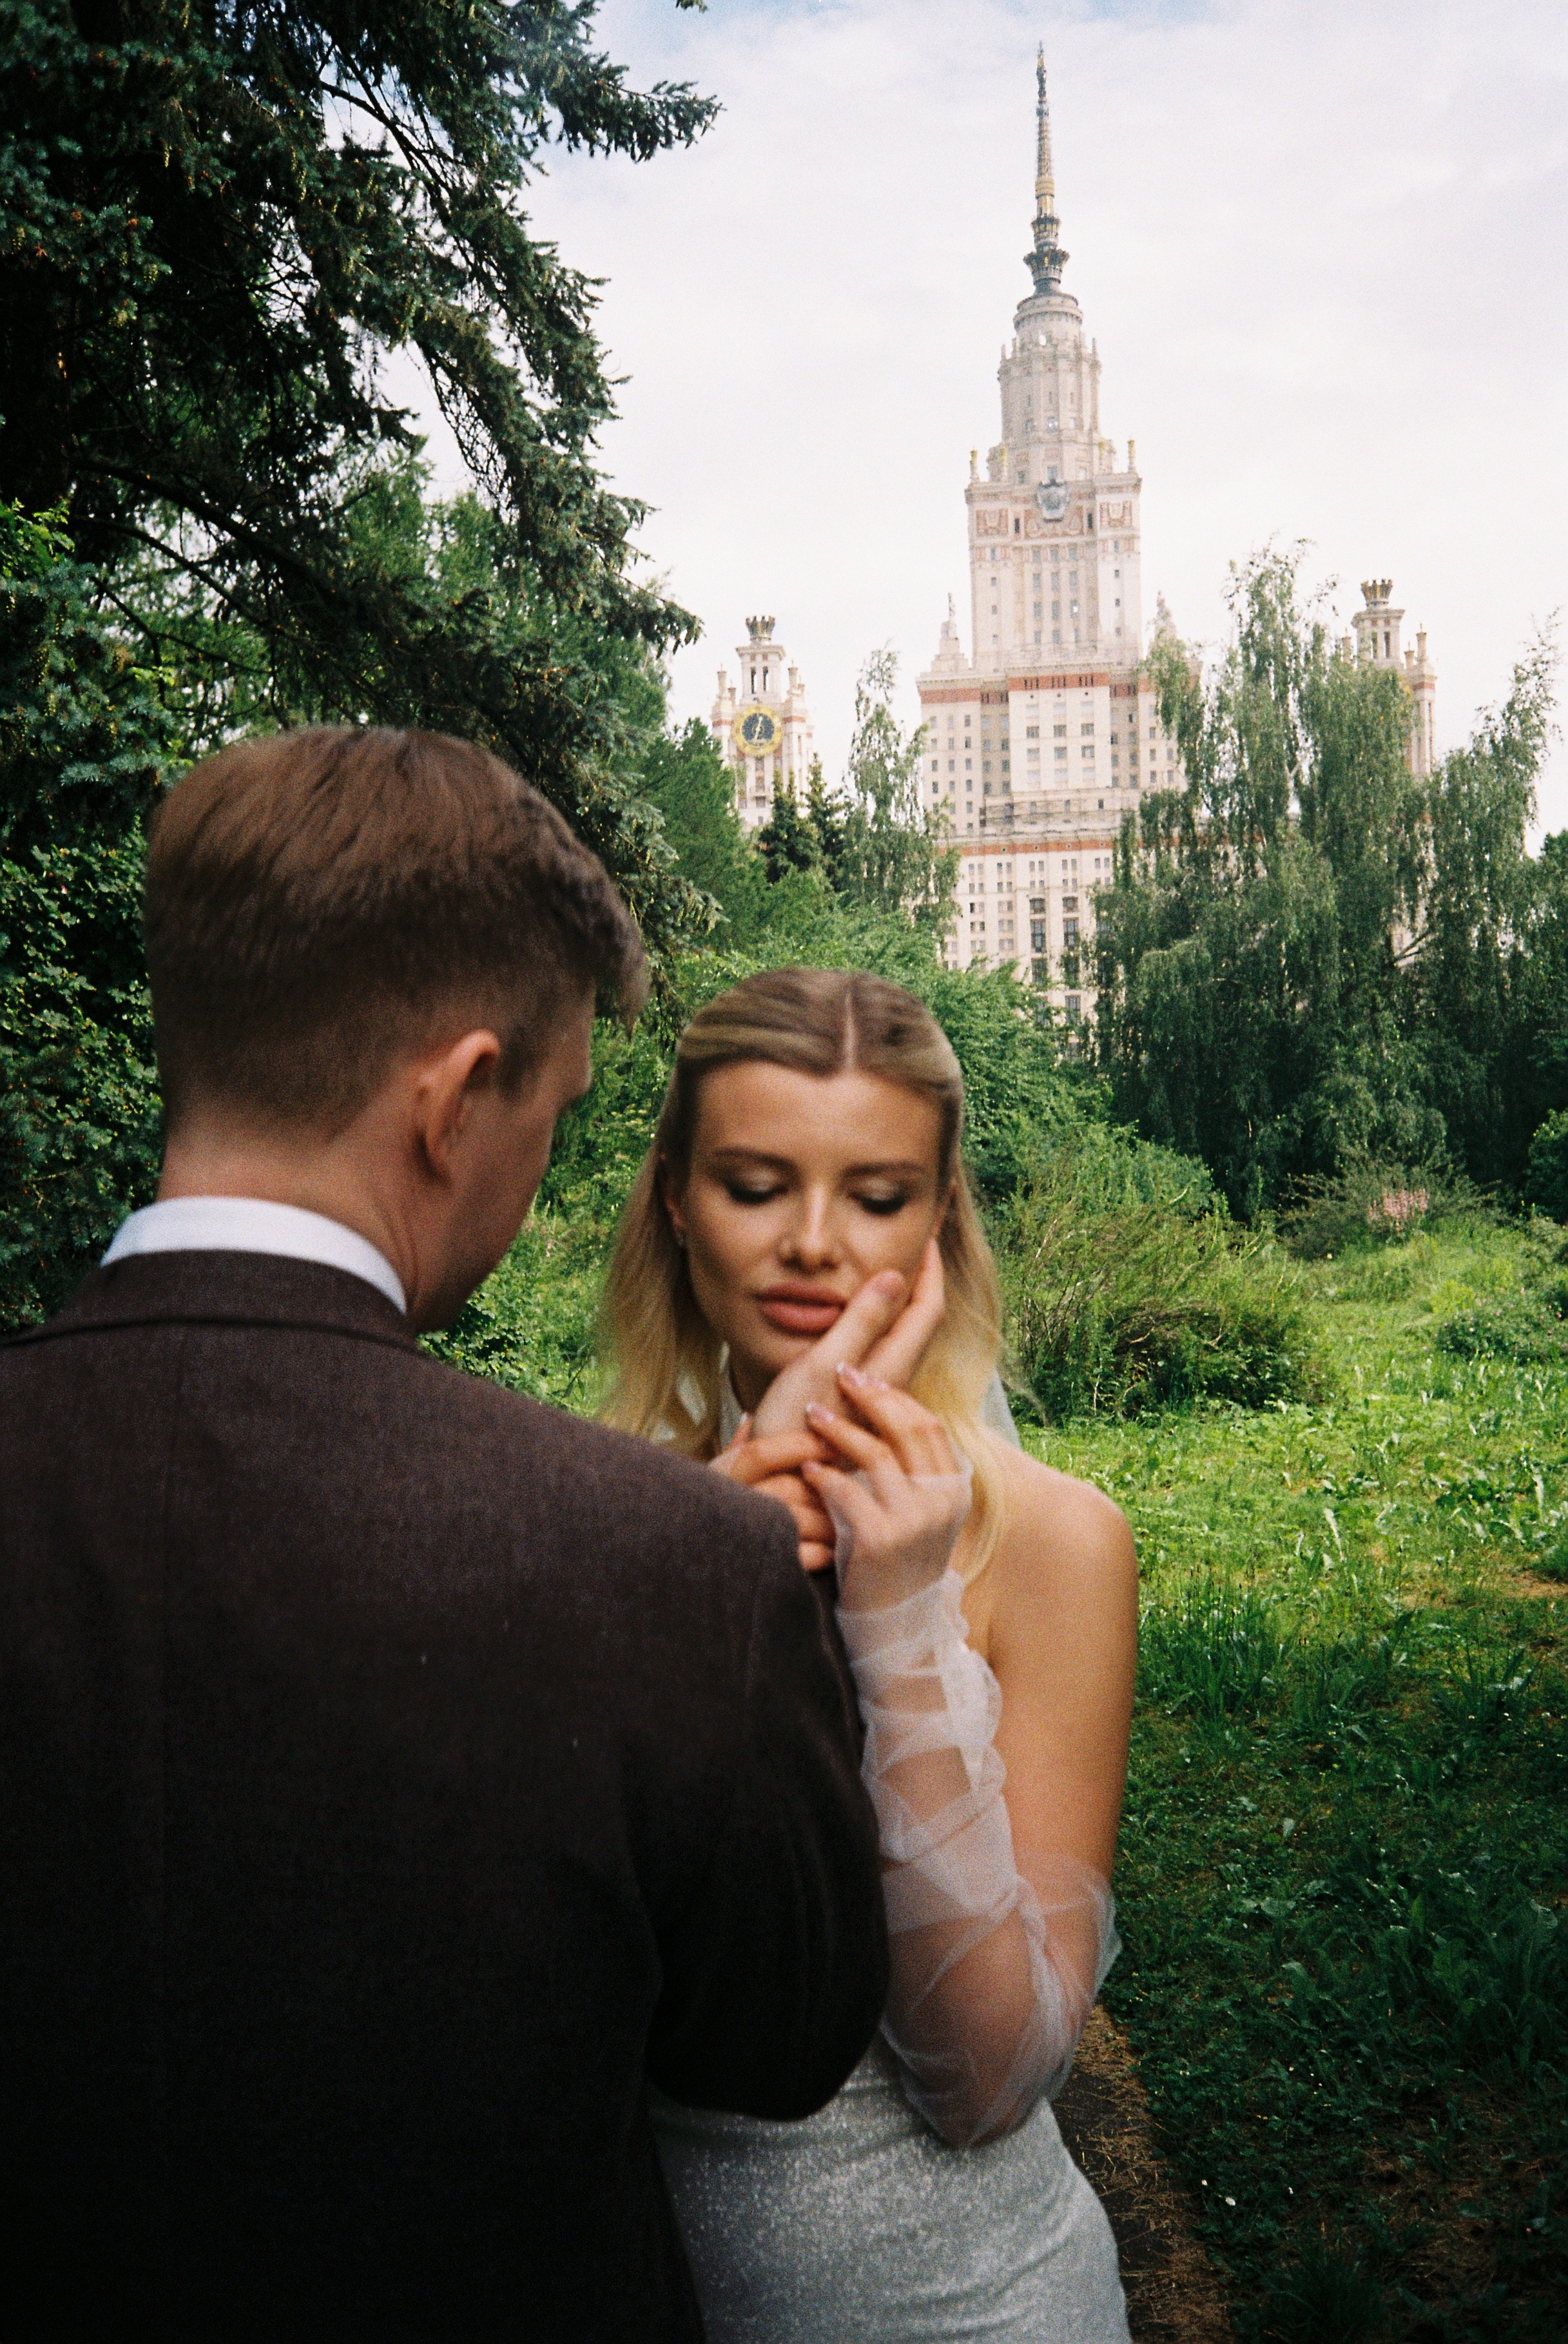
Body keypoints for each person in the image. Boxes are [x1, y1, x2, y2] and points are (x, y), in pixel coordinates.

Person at [0, 731, 889, 2341]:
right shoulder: (672, 1564)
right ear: (456, 1096)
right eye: (548, 1113)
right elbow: (775, 2044)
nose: (538, 1182)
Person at [599, 967, 1139, 2343]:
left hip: (974, 2308)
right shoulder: (588, 1518)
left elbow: (987, 2071)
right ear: (674, 1198)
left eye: (878, 1195)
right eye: (755, 1183)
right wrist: (704, 1564)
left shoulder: (1060, 1545)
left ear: (940, 1217)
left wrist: (898, 1617)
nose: (815, 1247)